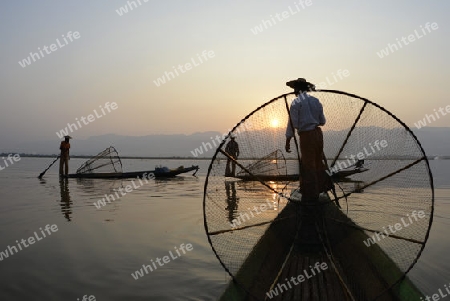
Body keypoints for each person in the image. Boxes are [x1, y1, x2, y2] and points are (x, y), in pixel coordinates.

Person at [285, 78, 327, 202]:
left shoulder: (296, 102)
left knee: (308, 165)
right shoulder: (316, 101)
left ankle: (311, 195)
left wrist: (288, 140)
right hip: (318, 134)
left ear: (298, 89)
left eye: (295, 89)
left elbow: (292, 123)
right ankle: (318, 189)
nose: (294, 92)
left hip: (306, 135)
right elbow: (322, 121)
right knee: (317, 161)